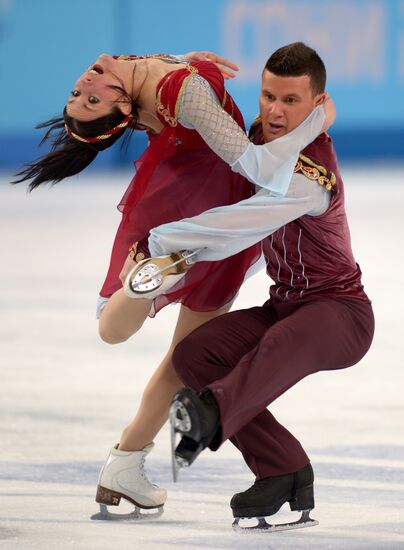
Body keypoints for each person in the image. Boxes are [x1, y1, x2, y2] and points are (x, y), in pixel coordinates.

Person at [14, 49, 331, 519]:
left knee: (175, 352)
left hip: (181, 184)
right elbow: (258, 167)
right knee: (143, 341)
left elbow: (151, 83)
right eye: (90, 99)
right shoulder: (184, 94)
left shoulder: (126, 66)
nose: (85, 85)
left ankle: (124, 461)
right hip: (209, 199)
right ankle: (143, 289)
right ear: (123, 111)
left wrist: (181, 58)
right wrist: (316, 122)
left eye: (78, 94)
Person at [125, 42, 374, 531]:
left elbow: (241, 223)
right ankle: (282, 468)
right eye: (268, 97)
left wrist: (164, 240)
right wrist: (185, 64)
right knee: (196, 354)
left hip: (338, 313)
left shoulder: (310, 175)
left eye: (291, 102)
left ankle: (210, 413)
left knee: (280, 343)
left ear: (317, 105)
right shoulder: (260, 140)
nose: (275, 112)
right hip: (283, 306)